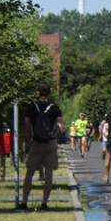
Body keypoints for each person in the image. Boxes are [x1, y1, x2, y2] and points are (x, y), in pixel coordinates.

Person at [18, 83, 64, 211]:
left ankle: (24, 202)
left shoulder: (31, 107)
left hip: (36, 143)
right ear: (49, 93)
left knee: (30, 172)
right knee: (49, 174)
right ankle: (44, 203)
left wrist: (28, 140)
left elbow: (27, 125)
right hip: (50, 143)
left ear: (38, 93)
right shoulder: (55, 108)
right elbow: (61, 128)